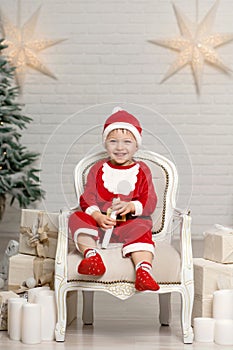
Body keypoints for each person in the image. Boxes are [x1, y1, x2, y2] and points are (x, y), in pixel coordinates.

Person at [69, 108, 160, 292]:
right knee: (76, 217)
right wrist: (97, 216)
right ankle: (92, 255)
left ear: (136, 146)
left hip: (130, 224)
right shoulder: (97, 169)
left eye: (127, 142)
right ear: (105, 144)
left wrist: (131, 205)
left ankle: (143, 270)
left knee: (142, 227)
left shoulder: (142, 170)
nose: (120, 147)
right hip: (101, 226)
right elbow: (87, 197)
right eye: (113, 142)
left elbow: (150, 200)